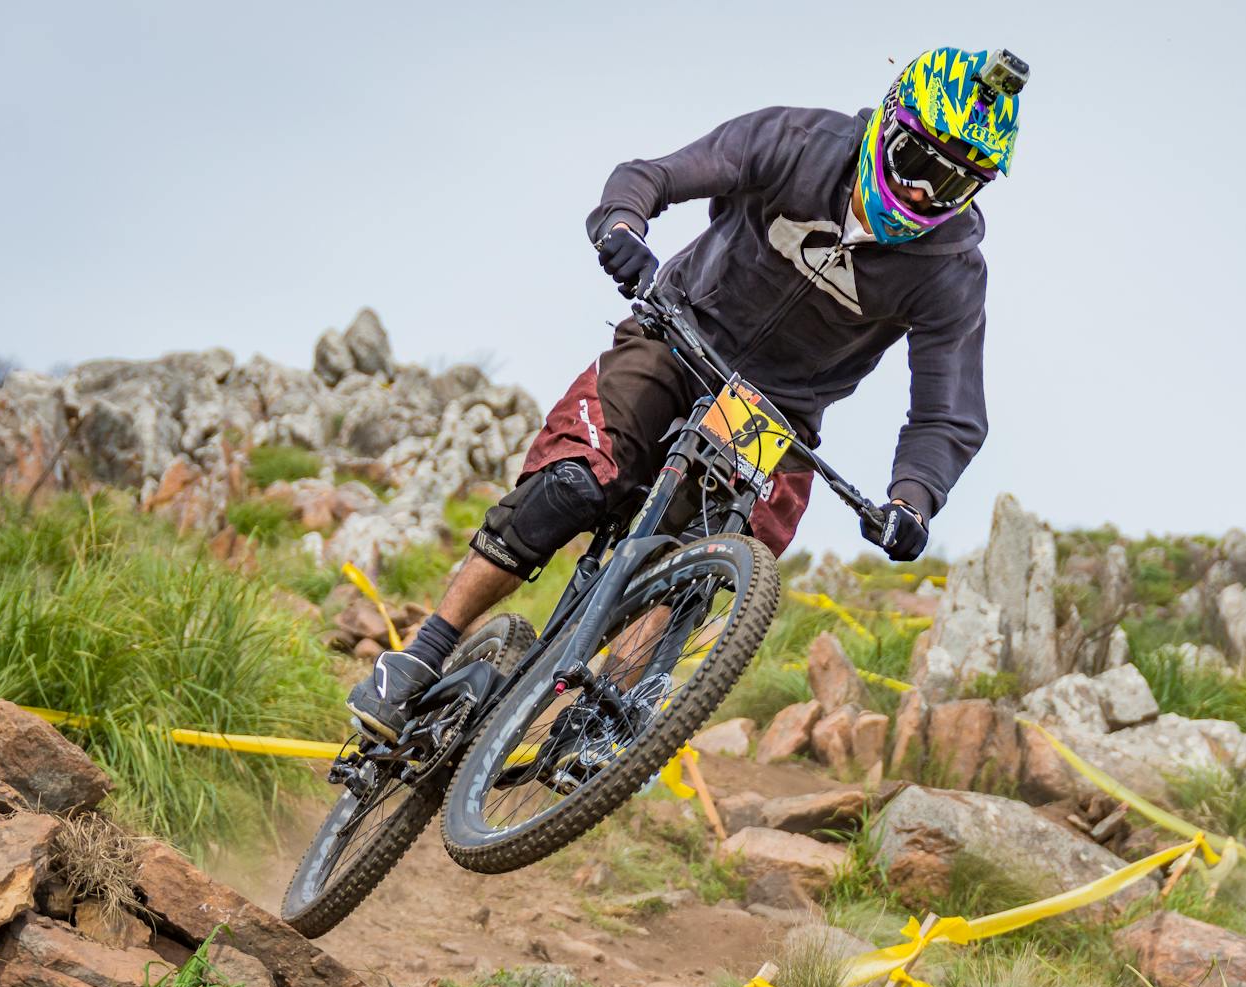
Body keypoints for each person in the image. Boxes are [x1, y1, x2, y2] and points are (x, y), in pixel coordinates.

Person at [347, 46, 1027, 741]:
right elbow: (654, 175)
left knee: (696, 557)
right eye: (919, 166)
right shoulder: (795, 144)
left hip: (772, 412)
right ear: (886, 127)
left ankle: (598, 719)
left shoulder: (950, 271)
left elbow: (947, 411)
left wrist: (913, 499)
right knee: (575, 486)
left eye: (953, 186)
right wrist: (622, 224)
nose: (922, 194)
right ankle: (423, 653)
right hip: (678, 334)